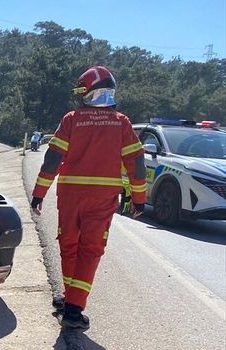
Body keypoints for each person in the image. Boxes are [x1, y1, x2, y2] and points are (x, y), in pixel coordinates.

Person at [30, 65, 147, 330]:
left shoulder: (71, 119)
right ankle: (74, 309)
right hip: (102, 198)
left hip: (70, 196)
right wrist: (139, 198)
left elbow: (52, 160)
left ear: (89, 92)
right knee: (90, 250)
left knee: (69, 244)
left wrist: (39, 194)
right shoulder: (121, 122)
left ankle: (69, 299)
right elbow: (136, 162)